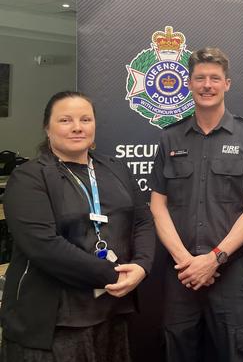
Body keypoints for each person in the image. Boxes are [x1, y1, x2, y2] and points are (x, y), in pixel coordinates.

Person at [0, 91, 155, 361]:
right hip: (55, 321)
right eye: (65, 120)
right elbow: (43, 245)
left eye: (86, 119)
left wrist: (142, 265)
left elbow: (142, 220)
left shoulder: (116, 168)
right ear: (47, 128)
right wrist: (113, 275)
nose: (77, 127)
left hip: (112, 312)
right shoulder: (28, 178)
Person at [149, 47, 243, 361]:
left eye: (215, 78)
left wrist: (214, 259)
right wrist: (187, 262)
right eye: (200, 78)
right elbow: (157, 206)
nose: (207, 85)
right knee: (178, 350)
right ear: (189, 83)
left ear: (227, 84)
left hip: (230, 274)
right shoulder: (169, 139)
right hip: (181, 275)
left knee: (238, 351)